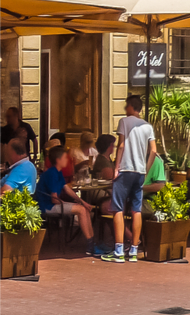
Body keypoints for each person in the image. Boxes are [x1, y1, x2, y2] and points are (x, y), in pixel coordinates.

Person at [103, 94, 156, 262]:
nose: (125, 110)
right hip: (140, 172)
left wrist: (116, 167)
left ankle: (118, 250)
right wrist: (145, 169)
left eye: (126, 107)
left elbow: (121, 145)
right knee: (136, 210)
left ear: (132, 107)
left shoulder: (124, 122)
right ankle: (133, 250)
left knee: (117, 208)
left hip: (125, 169)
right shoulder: (148, 126)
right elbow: (153, 151)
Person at [35, 145, 96, 251]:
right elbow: (54, 199)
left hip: (52, 203)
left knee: (84, 208)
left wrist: (83, 202)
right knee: (81, 210)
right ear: (58, 160)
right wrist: (71, 204)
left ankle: (92, 241)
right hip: (47, 206)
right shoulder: (52, 174)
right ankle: (90, 245)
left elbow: (67, 189)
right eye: (65, 157)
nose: (68, 160)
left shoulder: (57, 172)